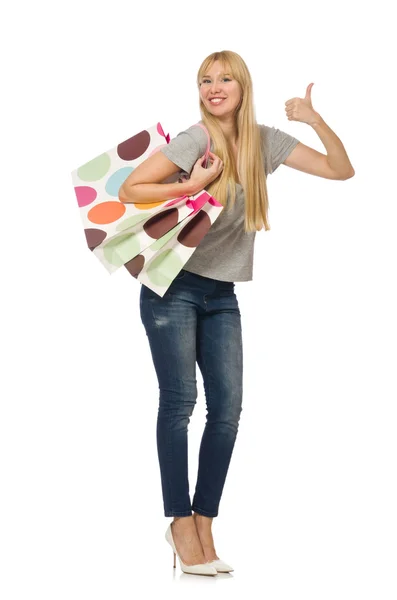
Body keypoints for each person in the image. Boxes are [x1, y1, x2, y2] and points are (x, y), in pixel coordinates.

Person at [119, 50, 355, 576]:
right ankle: (179, 521)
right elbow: (131, 188)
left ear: (243, 86)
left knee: (227, 410)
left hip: (221, 293)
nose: (214, 87)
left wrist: (315, 121)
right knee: (180, 401)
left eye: (225, 78)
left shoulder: (263, 142)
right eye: (205, 80)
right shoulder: (194, 139)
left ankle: (205, 520)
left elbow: (341, 170)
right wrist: (190, 185)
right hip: (171, 289)